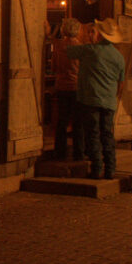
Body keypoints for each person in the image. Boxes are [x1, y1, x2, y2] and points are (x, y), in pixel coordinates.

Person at [67, 17, 126, 179]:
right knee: (107, 135)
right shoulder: (119, 57)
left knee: (93, 134)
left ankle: (97, 168)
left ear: (100, 35)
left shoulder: (90, 50)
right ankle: (110, 169)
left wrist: (81, 38)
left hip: (91, 99)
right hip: (109, 101)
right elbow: (121, 83)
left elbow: (69, 51)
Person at [52, 18, 83, 160]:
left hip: (61, 86)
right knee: (78, 122)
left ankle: (60, 152)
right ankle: (78, 153)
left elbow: (54, 68)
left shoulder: (58, 46)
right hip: (76, 87)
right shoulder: (81, 48)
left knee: (62, 121)